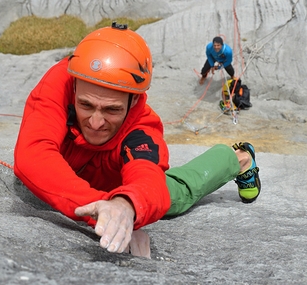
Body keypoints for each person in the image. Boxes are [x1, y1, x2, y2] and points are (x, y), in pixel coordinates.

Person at [14, 23, 261, 259]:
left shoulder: (142, 127)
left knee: (176, 194)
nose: (96, 122)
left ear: (133, 101)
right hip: (84, 180)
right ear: (75, 87)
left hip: (117, 181)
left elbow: (147, 180)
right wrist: (101, 210)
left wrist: (127, 207)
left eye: (111, 110)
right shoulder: (59, 83)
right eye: (85, 105)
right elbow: (33, 154)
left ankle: (238, 158)